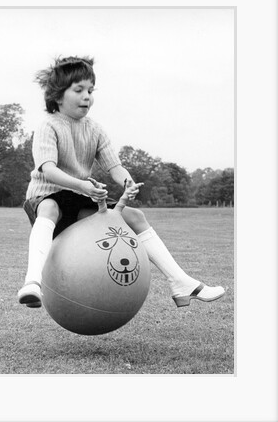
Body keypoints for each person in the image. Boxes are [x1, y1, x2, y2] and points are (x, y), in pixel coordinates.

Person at [17, 56, 225, 308]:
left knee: (135, 216)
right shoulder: (48, 126)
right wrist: (82, 185)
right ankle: (32, 283)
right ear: (58, 95)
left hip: (79, 198)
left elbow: (115, 166)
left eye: (91, 90)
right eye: (79, 90)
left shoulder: (95, 129)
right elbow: (48, 170)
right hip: (46, 196)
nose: (87, 96)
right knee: (50, 207)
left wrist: (128, 182)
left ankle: (181, 282)